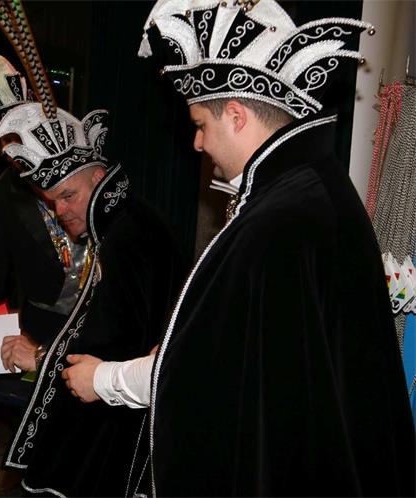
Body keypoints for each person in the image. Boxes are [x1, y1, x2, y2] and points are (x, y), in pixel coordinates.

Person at [62, 1, 415, 495]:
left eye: (200, 125)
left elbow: (208, 378)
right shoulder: (314, 185)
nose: (197, 144)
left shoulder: (277, 219)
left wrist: (103, 380)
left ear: (235, 114)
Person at [0, 100, 187, 496]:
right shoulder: (127, 222)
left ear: (99, 178)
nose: (60, 210)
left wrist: (41, 357)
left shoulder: (127, 236)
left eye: (68, 195)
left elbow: (116, 343)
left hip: (121, 424)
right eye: (52, 201)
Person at [0, 55, 85, 385]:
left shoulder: (83, 172)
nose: (12, 150)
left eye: (19, 137)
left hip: (96, 319)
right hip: (42, 327)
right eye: (6, 140)